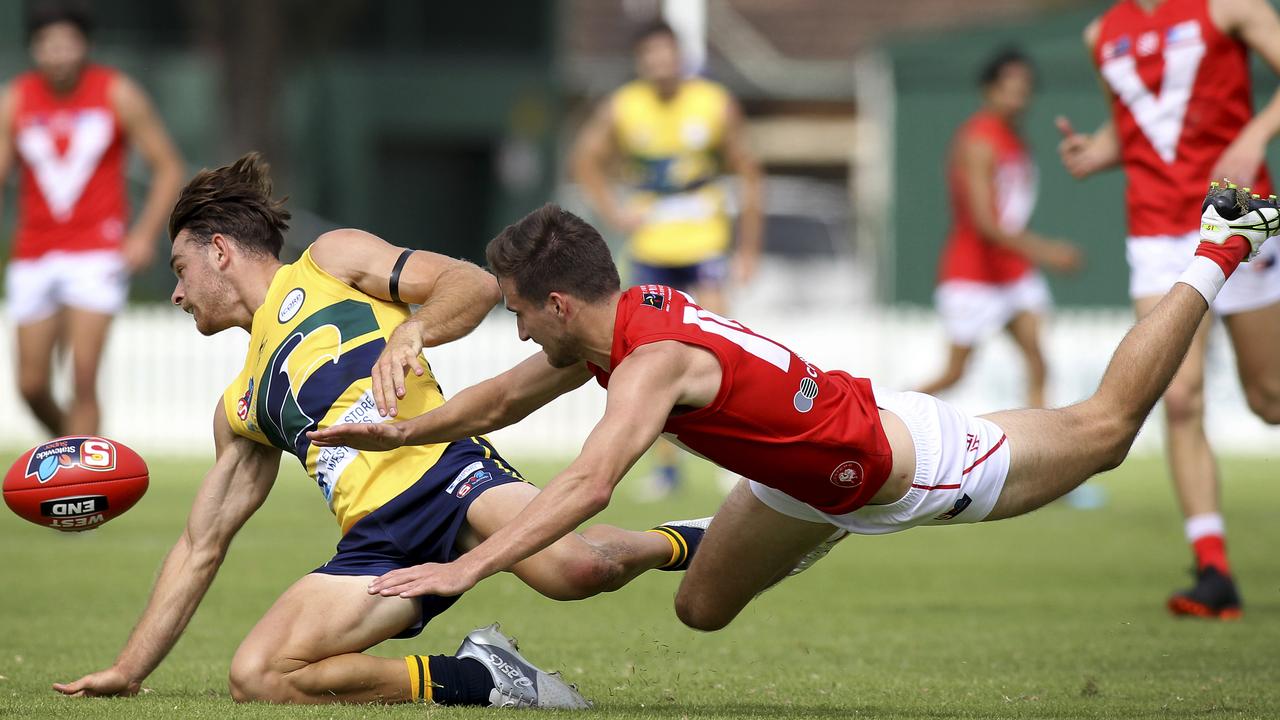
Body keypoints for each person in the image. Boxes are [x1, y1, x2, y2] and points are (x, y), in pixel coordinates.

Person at [308, 189, 1276, 633]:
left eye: (517, 312)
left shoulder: (649, 365)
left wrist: (463, 568)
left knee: (1103, 431)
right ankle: (700, 538)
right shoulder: (614, 327)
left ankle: (1219, 244)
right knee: (698, 611)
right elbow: (506, 398)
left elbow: (590, 482)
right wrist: (400, 429)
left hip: (901, 464)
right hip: (796, 477)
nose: (514, 330)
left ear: (557, 303)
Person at [51, 154, 715, 709]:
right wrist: (129, 668)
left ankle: (685, 539)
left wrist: (411, 330)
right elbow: (201, 543)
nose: (177, 292)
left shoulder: (327, 264)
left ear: (219, 251)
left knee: (577, 569)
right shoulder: (240, 407)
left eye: (179, 269)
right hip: (376, 542)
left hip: (446, 472)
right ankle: (480, 677)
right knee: (259, 675)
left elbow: (473, 284)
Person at [1056, 0, 1280, 619]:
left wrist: (1252, 135)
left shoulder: (1229, 7)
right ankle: (1213, 569)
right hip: (1156, 235)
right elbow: (1132, 127)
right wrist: (1095, 151)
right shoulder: (1103, 32)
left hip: (1239, 215)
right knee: (1179, 398)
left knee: (1269, 400)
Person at [571, 19, 764, 498]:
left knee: (722, 344)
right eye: (650, 55)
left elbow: (750, 173)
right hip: (651, 245)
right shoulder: (624, 106)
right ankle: (665, 467)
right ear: (640, 61)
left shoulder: (714, 103)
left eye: (668, 53)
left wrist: (748, 249)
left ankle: (735, 457)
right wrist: (613, 209)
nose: (660, 64)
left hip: (705, 239)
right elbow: (585, 157)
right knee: (642, 356)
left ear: (680, 56)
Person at [0, 4, 184, 437]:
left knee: (83, 378)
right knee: (30, 385)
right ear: (34, 48)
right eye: (48, 44)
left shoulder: (116, 92)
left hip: (97, 251)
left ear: (86, 45)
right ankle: (79, 452)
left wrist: (142, 235)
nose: (58, 53)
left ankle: (84, 493)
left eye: (67, 43)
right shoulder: (16, 98)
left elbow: (168, 167)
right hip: (33, 250)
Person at [917, 48, 1081, 407]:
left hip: (1013, 270)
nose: (1018, 96)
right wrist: (1048, 252)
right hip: (974, 270)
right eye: (1009, 87)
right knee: (954, 373)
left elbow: (1011, 212)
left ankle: (1036, 457)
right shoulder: (979, 141)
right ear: (989, 90)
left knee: (1038, 365)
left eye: (1024, 88)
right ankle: (880, 417)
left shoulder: (1017, 140)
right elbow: (985, 224)